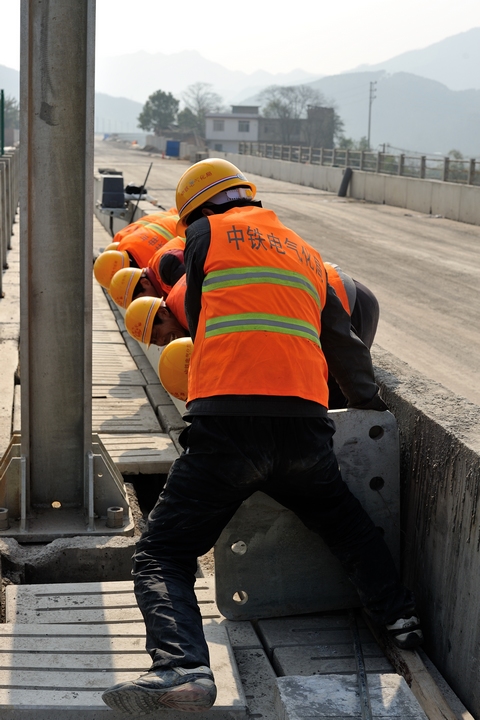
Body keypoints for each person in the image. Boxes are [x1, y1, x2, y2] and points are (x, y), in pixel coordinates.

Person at [102, 158, 422, 716]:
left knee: (164, 551)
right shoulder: (302, 248)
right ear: (244, 194)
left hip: (229, 425)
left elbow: (201, 317)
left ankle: (182, 669)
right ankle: (400, 618)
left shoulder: (203, 234)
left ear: (198, 209)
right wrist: (366, 411)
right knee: (346, 524)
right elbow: (345, 345)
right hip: (304, 425)